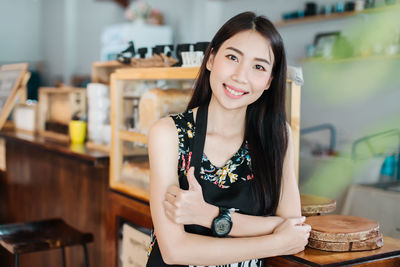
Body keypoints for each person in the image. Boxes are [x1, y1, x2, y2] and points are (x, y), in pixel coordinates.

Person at [146, 11, 311, 267]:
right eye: (232, 57)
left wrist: (209, 216)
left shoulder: (277, 135)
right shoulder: (168, 134)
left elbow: (293, 227)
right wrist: (275, 240)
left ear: (269, 81)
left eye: (258, 67)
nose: (240, 76)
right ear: (211, 58)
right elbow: (175, 250)